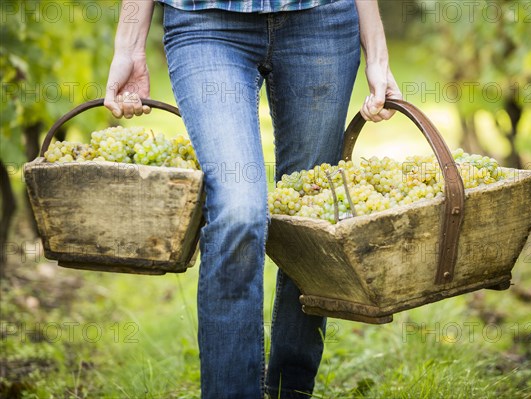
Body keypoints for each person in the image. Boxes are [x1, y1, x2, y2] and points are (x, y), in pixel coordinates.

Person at [104, 0, 401, 397]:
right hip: (205, 23)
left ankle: (291, 388)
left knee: (310, 219)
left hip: (322, 21)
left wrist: (377, 53)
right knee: (238, 210)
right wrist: (129, 45)